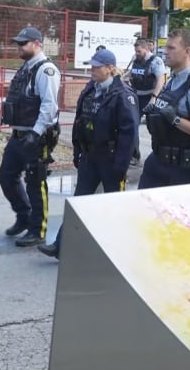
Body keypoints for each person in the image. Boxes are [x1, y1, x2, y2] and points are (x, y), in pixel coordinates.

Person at [38, 49, 139, 259]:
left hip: (111, 159)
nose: (92, 70)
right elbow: (79, 122)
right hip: (90, 157)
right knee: (79, 203)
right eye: (92, 66)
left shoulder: (123, 95)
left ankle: (121, 252)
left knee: (114, 205)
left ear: (110, 69)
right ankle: (60, 246)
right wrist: (78, 151)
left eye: (97, 66)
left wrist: (121, 166)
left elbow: (129, 134)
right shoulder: (91, 90)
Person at [0, 27, 61, 248]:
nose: (19, 47)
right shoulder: (26, 68)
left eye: (23, 43)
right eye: (18, 43)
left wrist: (35, 133)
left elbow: (49, 105)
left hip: (37, 136)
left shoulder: (46, 70)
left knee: (36, 182)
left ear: (37, 43)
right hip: (19, 134)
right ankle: (23, 216)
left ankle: (38, 230)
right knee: (6, 176)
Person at [139, 29, 190, 188]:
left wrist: (176, 120)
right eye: (165, 47)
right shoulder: (171, 82)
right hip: (158, 162)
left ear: (187, 51)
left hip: (184, 169)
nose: (165, 52)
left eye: (171, 48)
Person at [127, 37, 168, 165]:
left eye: (139, 51)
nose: (136, 54)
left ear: (145, 49)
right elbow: (131, 73)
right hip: (136, 97)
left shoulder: (156, 61)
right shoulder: (135, 59)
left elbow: (161, 80)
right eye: (136, 51)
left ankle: (159, 155)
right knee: (132, 126)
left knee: (155, 128)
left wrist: (154, 98)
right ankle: (135, 155)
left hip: (151, 98)